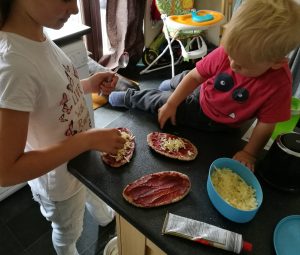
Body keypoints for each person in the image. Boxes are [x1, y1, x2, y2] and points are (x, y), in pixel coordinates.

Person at [109, 0, 300, 171]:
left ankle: (129, 97)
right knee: (183, 79)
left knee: (160, 100)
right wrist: (174, 103)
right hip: (204, 86)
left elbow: (266, 125)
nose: (232, 65)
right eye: (230, 55)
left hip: (210, 115)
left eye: (242, 65)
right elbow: (195, 76)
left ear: (276, 62)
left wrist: (249, 153)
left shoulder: (280, 84)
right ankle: (171, 86)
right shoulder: (227, 52)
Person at [0, 1, 126, 255]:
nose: (76, 9)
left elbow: (52, 92)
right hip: (59, 181)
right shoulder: (13, 66)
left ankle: (104, 217)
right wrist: (86, 141)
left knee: (93, 191)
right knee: (69, 230)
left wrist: (88, 85)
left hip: (80, 159)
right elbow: (6, 171)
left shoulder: (37, 33)